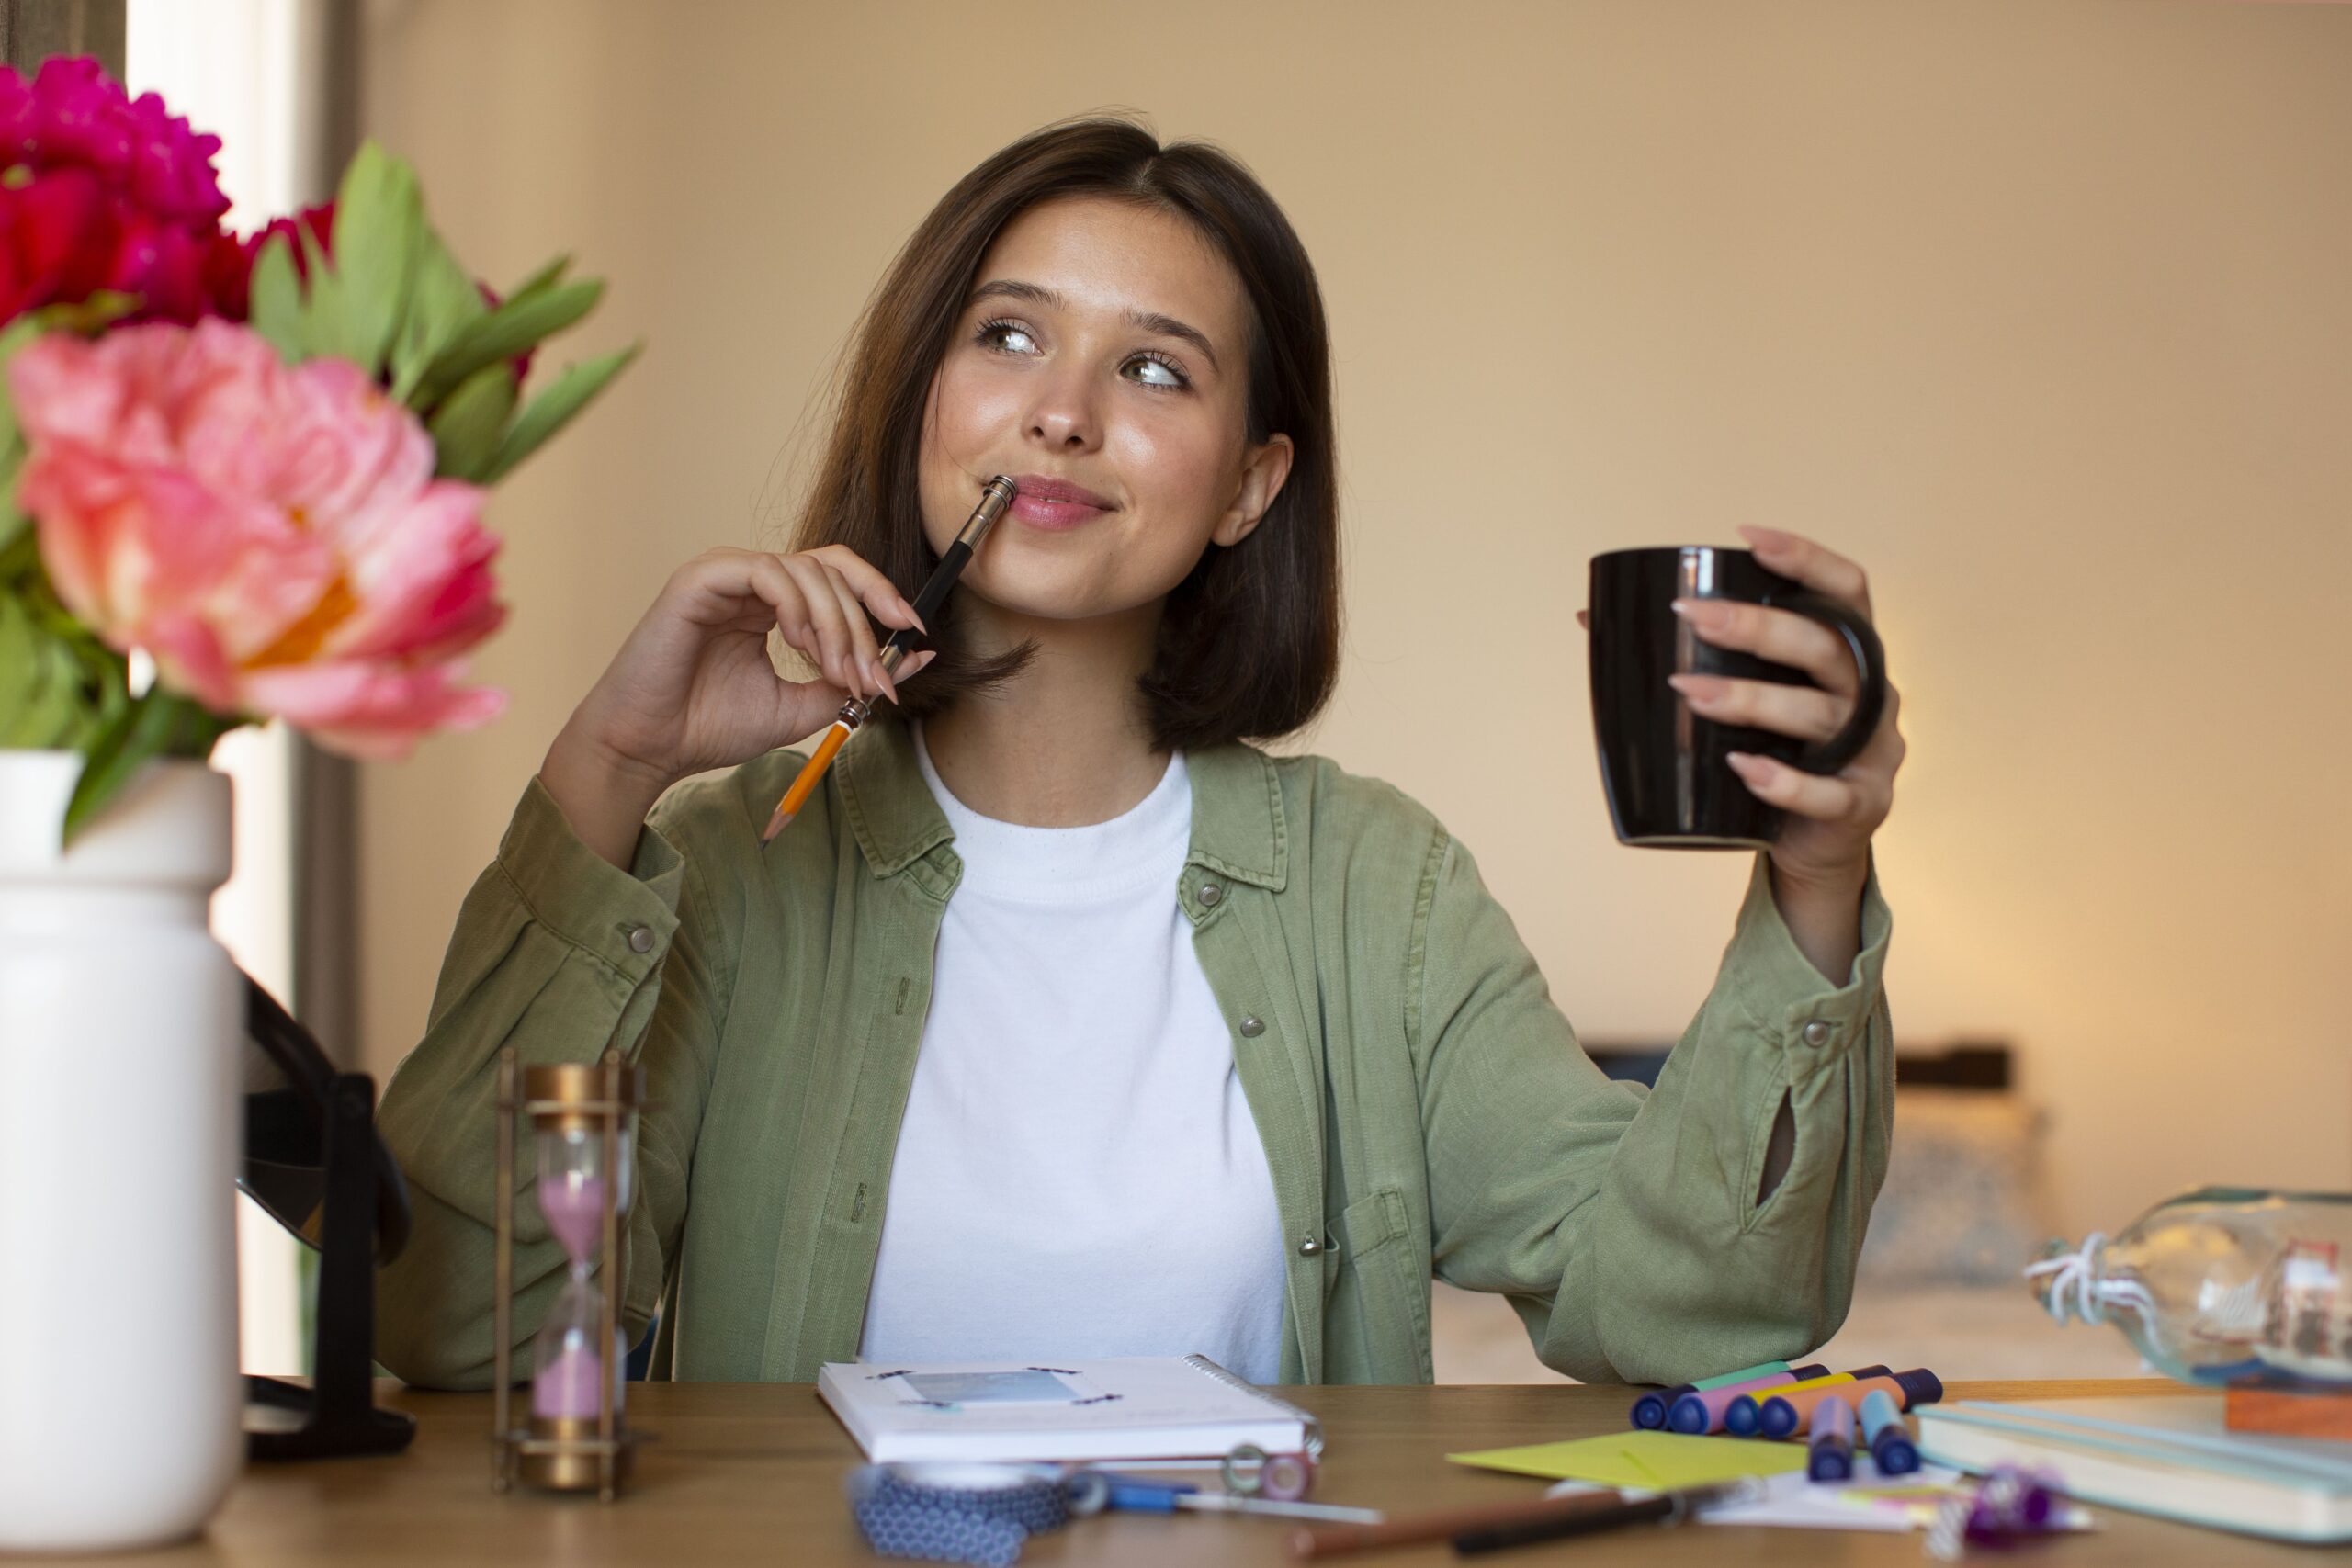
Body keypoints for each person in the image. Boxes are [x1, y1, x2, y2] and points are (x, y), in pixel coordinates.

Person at [376, 116, 1903, 1390]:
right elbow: (459, 1338)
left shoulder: (1382, 889)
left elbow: (1685, 1309)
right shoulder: (725, 864)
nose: (1059, 415)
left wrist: (1819, 878)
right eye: (1009, 338)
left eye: (1154, 371)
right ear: (926, 404)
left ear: (1250, 486)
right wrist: (612, 764)